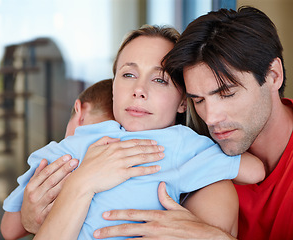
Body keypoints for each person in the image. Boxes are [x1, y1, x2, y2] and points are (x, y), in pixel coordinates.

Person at [26, 25, 264, 239]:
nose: (139, 90)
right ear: (113, 88)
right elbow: (12, 224)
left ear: (183, 101)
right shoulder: (85, 139)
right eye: (128, 75)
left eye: (160, 80)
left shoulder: (186, 150)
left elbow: (254, 171)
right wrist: (74, 187)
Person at [92, 6, 293, 240]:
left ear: (273, 76)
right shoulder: (194, 152)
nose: (211, 118)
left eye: (227, 93)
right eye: (198, 100)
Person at [0, 79, 115, 239]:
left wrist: (29, 217)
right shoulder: (132, 155)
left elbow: (9, 229)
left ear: (79, 109)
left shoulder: (56, 156)